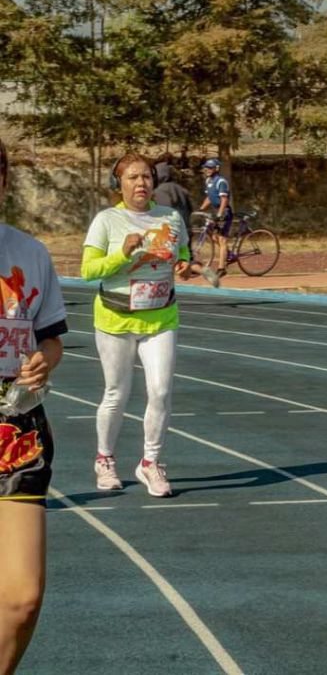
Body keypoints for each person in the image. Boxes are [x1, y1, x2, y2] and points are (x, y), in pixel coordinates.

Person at [81, 152, 193, 498]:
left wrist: (183, 264)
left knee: (160, 391)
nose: (141, 183)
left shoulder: (171, 218)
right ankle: (105, 459)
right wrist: (122, 254)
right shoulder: (107, 220)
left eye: (146, 176)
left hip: (161, 316)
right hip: (116, 318)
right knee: (117, 393)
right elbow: (88, 271)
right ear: (119, 184)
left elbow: (182, 252)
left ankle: (150, 462)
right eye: (132, 177)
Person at [0, 137, 68, 673]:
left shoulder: (30, 253)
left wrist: (45, 360)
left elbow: (51, 338)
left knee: (22, 599)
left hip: (16, 427)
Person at [153, 161, 219, 288]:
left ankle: (163, 286)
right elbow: (190, 208)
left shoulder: (159, 192)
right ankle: (203, 270)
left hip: (169, 231)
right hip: (185, 229)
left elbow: (161, 212)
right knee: (186, 258)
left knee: (162, 259)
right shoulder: (181, 190)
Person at [198, 157, 232, 277]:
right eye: (206, 167)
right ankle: (229, 254)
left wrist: (220, 214)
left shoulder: (221, 181)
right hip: (216, 211)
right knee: (214, 237)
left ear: (216, 169)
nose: (207, 169)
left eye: (210, 168)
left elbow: (224, 199)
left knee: (222, 240)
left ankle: (222, 268)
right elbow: (209, 197)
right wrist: (201, 208)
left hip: (224, 212)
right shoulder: (208, 181)